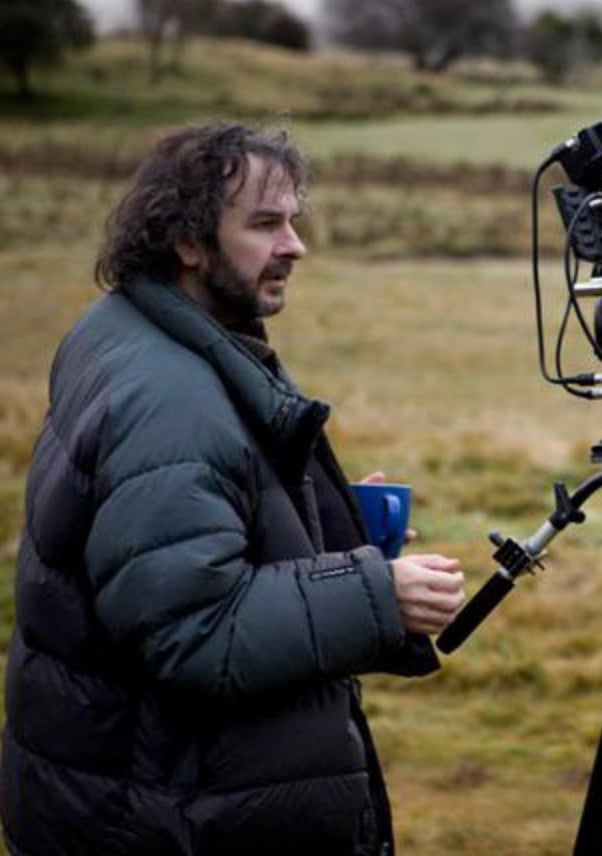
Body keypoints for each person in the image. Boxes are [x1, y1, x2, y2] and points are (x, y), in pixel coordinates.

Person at [0, 123, 467, 855]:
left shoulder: (134, 324)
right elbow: (189, 627)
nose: (295, 245)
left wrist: (314, 525)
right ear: (188, 241)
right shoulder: (168, 398)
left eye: (293, 221)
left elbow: (171, 539)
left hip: (144, 792)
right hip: (168, 816)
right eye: (264, 224)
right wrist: (375, 594)